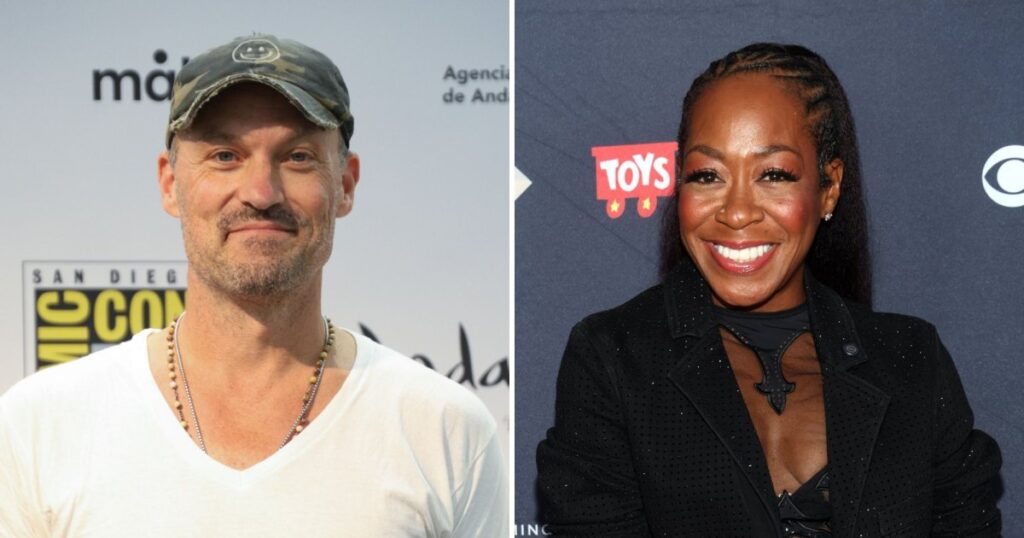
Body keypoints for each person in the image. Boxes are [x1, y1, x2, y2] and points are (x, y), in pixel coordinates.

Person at [0, 34, 507, 537]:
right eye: (225, 156)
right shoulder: (40, 426)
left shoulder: (444, 429)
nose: (261, 193)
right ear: (170, 184)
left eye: (298, 157)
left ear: (345, 185)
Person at [536, 43, 1001, 537]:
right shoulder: (615, 358)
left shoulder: (911, 360)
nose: (737, 212)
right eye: (707, 175)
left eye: (774, 175)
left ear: (829, 187)